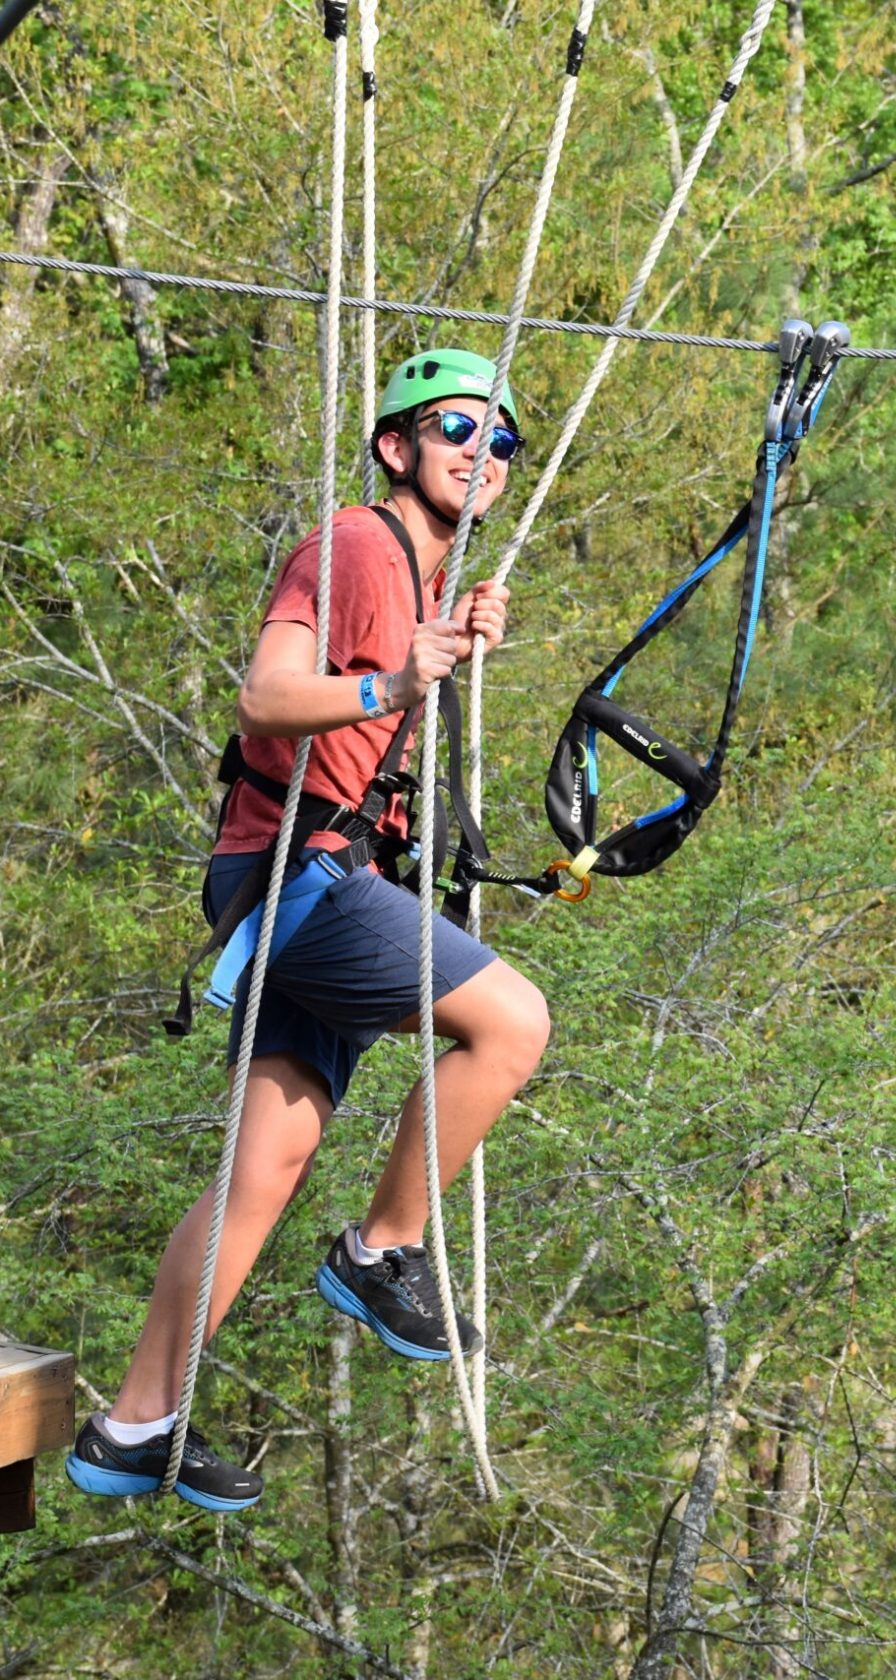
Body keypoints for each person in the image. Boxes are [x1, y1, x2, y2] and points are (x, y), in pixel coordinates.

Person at [65, 350, 551, 1512]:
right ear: (397, 446)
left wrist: (438, 642)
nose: (481, 452)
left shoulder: (418, 580)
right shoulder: (352, 546)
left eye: (501, 439)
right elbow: (266, 698)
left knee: (262, 1172)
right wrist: (394, 682)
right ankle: (383, 1251)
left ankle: (133, 1428)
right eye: (454, 428)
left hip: (310, 880)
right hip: (302, 881)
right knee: (511, 1023)